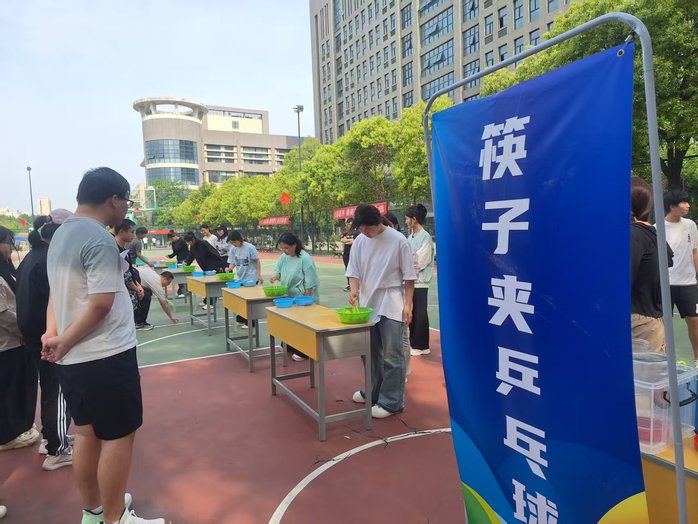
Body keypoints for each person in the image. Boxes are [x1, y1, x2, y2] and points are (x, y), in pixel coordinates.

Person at [42, 167, 164, 524]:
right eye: (126, 202)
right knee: (119, 437)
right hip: (106, 354)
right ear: (114, 200)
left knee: (86, 434)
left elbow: (56, 295)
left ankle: (94, 511)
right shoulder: (98, 239)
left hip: (74, 360)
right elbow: (100, 304)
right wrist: (62, 339)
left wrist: (53, 334)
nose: (126, 209)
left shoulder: (60, 235)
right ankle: (116, 518)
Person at [16, 211, 75, 471]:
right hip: (47, 336)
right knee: (58, 390)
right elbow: (58, 301)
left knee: (50, 389)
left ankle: (51, 437)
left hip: (32, 335)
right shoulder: (51, 260)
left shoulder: (31, 258)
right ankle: (57, 449)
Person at [346, 204, 416, 418]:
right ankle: (373, 391)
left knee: (392, 356)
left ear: (378, 222)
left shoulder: (398, 241)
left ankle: (392, 401)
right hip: (368, 304)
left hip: (391, 303)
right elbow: (353, 271)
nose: (365, 232)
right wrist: (354, 291)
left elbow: (409, 277)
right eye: (361, 228)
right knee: (369, 353)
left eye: (368, 228)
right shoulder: (360, 241)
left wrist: (408, 305)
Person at [0, 226, 42, 452]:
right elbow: (3, 314)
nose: (9, 248)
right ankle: (8, 435)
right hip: (8, 343)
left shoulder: (8, 270)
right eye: (7, 242)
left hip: (17, 341)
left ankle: (18, 426)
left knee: (20, 387)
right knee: (9, 390)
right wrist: (25, 329)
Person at [632, 178, 672, 352]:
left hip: (639, 324)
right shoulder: (653, 234)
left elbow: (622, 280)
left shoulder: (635, 235)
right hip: (652, 322)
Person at [269, 232, 320, 361]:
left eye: (287, 248)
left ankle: (304, 351)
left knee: (304, 323)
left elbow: (310, 280)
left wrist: (307, 298)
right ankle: (290, 344)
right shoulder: (283, 257)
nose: (284, 251)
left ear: (295, 245)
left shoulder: (305, 258)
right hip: (288, 294)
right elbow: (278, 270)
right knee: (289, 321)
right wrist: (275, 276)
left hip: (302, 296)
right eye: (282, 248)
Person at [663, 189, 698, 366]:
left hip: (689, 283)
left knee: (695, 321)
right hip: (666, 284)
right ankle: (668, 361)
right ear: (672, 206)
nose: (688, 205)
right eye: (684, 202)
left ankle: (697, 360)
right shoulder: (658, 228)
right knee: (664, 325)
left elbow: (695, 251)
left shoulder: (691, 225)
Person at [405, 204, 435, 356]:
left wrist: (407, 268)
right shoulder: (410, 237)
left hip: (420, 282)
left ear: (414, 219)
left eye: (407, 218)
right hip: (410, 281)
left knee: (419, 313)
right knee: (412, 312)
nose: (406, 221)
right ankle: (414, 343)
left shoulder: (425, 237)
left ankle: (422, 345)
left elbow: (421, 261)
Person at [115, 220, 153, 330]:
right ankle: (138, 322)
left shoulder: (124, 248)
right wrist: (136, 288)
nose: (133, 235)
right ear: (121, 232)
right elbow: (124, 275)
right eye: (131, 232)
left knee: (145, 293)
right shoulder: (115, 249)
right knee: (143, 296)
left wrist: (137, 285)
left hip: (130, 280)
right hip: (120, 290)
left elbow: (129, 271)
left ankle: (138, 322)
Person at [183, 231, 227, 310]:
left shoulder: (203, 243)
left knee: (212, 285)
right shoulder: (192, 247)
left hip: (214, 266)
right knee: (207, 285)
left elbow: (215, 253)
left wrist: (220, 265)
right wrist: (186, 262)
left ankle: (211, 303)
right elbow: (191, 256)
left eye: (189, 242)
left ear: (193, 239)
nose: (188, 244)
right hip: (205, 267)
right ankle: (206, 301)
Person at [166, 230, 189, 297]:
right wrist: (170, 256)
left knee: (184, 276)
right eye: (170, 239)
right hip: (179, 260)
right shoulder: (173, 243)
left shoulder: (182, 241)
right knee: (179, 276)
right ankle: (180, 291)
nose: (172, 240)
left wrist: (186, 260)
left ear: (175, 236)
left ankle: (185, 291)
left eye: (172, 238)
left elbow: (187, 251)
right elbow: (175, 252)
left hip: (185, 259)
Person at [340, 218, 355, 291]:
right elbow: (342, 240)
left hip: (354, 254)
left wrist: (348, 240)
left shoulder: (357, 231)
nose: (350, 226)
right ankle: (349, 285)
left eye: (351, 224)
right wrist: (349, 240)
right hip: (346, 253)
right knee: (347, 269)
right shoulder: (345, 232)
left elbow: (354, 241)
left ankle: (355, 285)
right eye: (348, 224)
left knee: (354, 269)